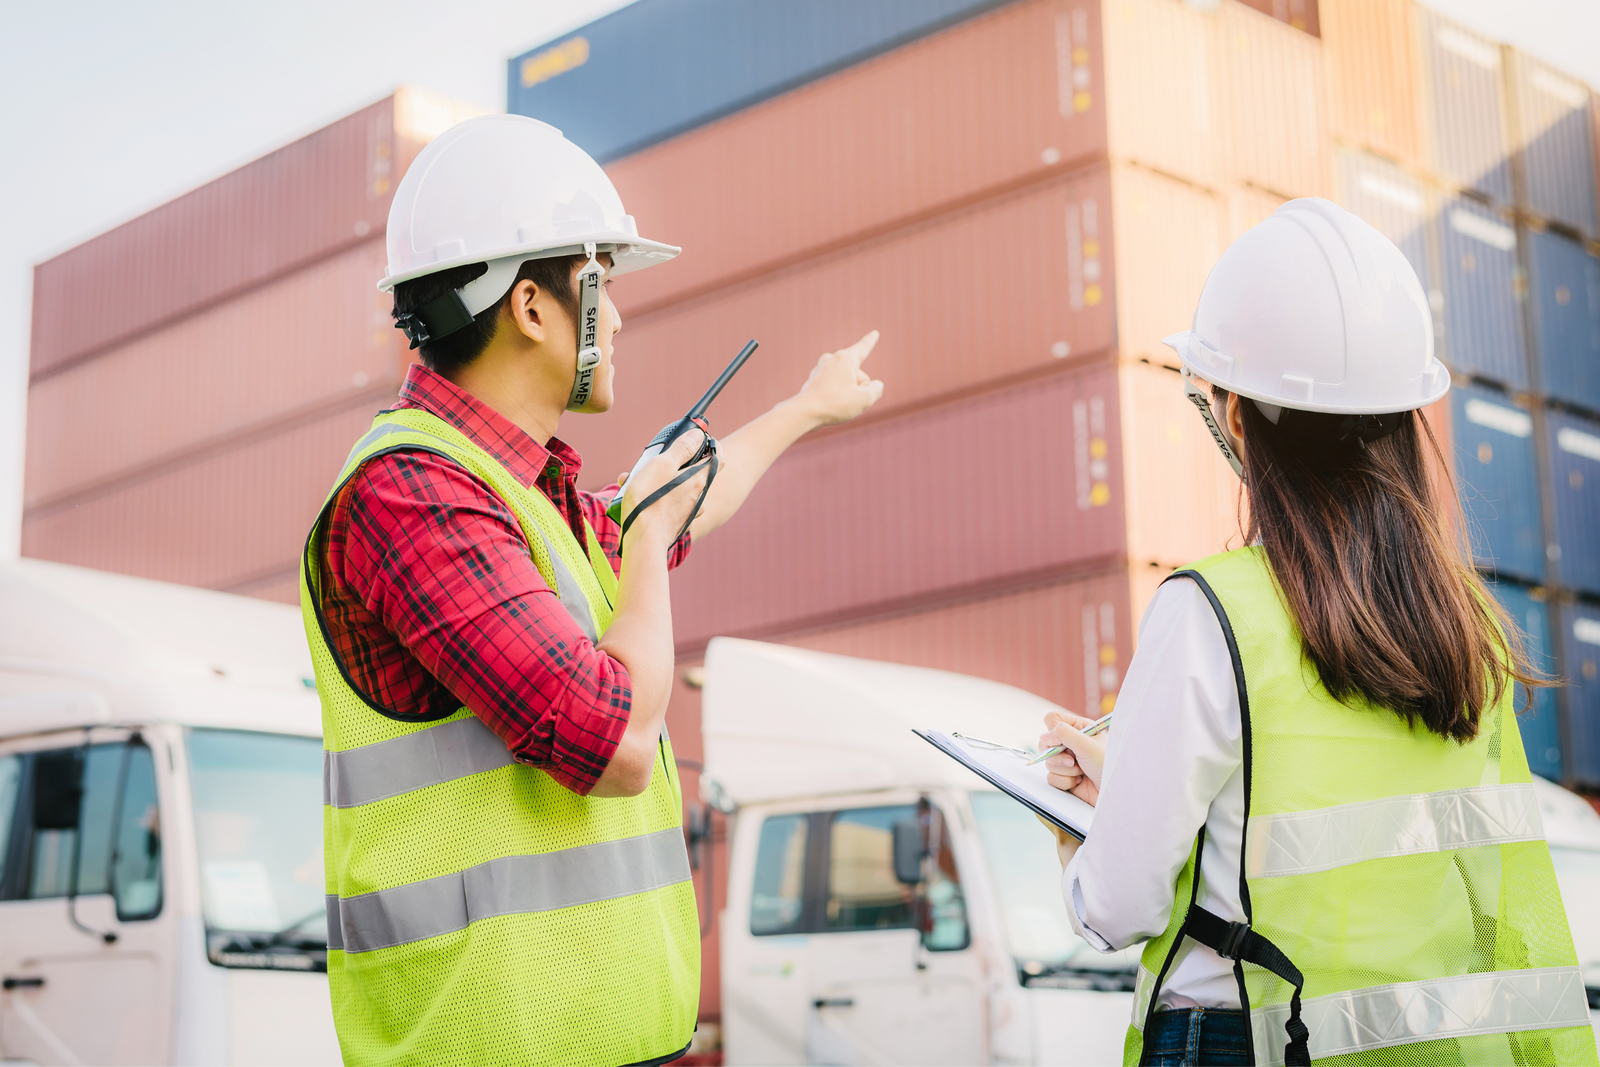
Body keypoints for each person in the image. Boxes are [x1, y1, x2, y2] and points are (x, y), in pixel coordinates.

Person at [300, 115, 883, 1067]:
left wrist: (806, 406)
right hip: (486, 1045)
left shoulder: (533, 502)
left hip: (604, 1041)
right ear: (532, 307)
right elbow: (611, 738)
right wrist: (647, 536)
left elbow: (688, 497)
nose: (621, 318)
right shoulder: (409, 494)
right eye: (603, 285)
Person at [1035, 198, 1598, 1067]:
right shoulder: (1466, 623)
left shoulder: (1210, 612)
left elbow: (1119, 906)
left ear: (1233, 418)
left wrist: (1081, 830)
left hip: (1251, 1041)